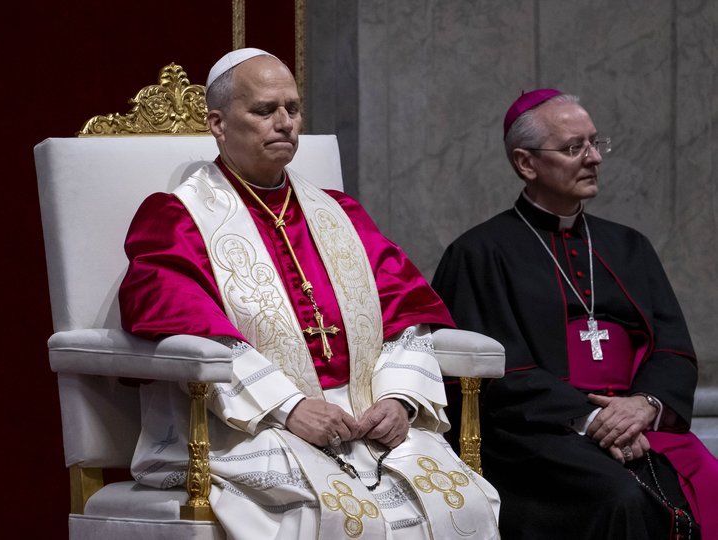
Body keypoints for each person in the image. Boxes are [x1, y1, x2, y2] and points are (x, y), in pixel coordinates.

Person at [119, 48, 500, 540]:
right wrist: (290, 406)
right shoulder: (177, 219)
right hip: (251, 424)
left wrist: (399, 400)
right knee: (332, 516)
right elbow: (188, 327)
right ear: (217, 123)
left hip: (365, 417)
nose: (285, 123)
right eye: (264, 111)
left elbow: (405, 311)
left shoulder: (340, 214)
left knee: (463, 503)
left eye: (293, 109)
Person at [431, 89, 718, 539]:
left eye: (595, 143)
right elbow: (497, 373)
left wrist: (644, 405)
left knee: (710, 479)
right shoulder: (479, 253)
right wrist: (591, 418)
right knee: (619, 497)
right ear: (526, 163)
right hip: (539, 435)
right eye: (573, 148)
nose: (594, 158)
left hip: (636, 421)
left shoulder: (629, 246)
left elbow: (673, 347)